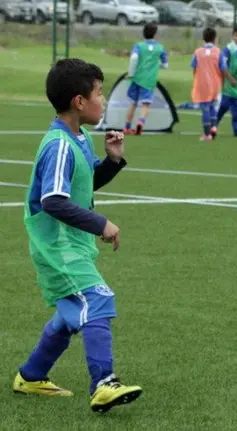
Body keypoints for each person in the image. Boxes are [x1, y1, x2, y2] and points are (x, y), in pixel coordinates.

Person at [13, 58, 142, 413]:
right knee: (98, 299)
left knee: (70, 316)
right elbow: (53, 201)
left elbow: (79, 190)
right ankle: (104, 383)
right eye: (99, 93)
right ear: (79, 101)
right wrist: (101, 223)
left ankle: (32, 375)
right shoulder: (59, 145)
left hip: (71, 245)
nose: (103, 100)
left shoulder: (78, 138)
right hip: (57, 246)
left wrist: (112, 162)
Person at [124, 23, 168, 135]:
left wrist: (130, 73)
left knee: (133, 103)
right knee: (145, 104)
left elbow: (134, 58)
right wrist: (156, 64)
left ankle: (127, 127)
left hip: (137, 78)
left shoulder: (139, 46)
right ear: (155, 34)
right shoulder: (160, 48)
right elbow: (165, 65)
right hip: (149, 80)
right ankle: (140, 123)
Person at [215, 24, 237, 138]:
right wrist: (230, 78)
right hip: (229, 84)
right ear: (233, 36)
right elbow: (223, 66)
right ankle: (213, 125)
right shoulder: (228, 49)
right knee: (223, 106)